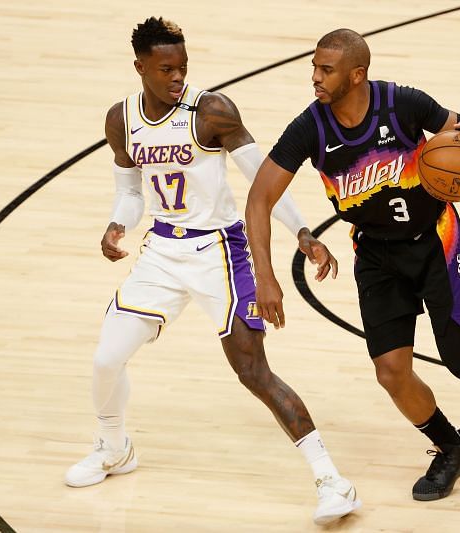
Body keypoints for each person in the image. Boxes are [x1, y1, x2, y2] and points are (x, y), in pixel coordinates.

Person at [246, 28, 460, 502]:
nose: (315, 76)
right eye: (314, 66)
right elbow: (258, 199)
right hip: (375, 254)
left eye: (325, 69)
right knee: (391, 371)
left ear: (357, 75)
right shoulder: (310, 127)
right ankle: (452, 447)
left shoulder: (401, 104)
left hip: (436, 240)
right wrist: (265, 277)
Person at [65, 17, 361, 525]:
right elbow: (131, 192)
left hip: (221, 252)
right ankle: (114, 448)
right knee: (105, 359)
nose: (177, 77)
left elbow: (263, 180)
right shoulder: (122, 120)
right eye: (166, 69)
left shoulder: (213, 112)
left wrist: (304, 234)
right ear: (140, 67)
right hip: (161, 251)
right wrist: (118, 225)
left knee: (252, 372)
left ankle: (332, 480)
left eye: (182, 67)